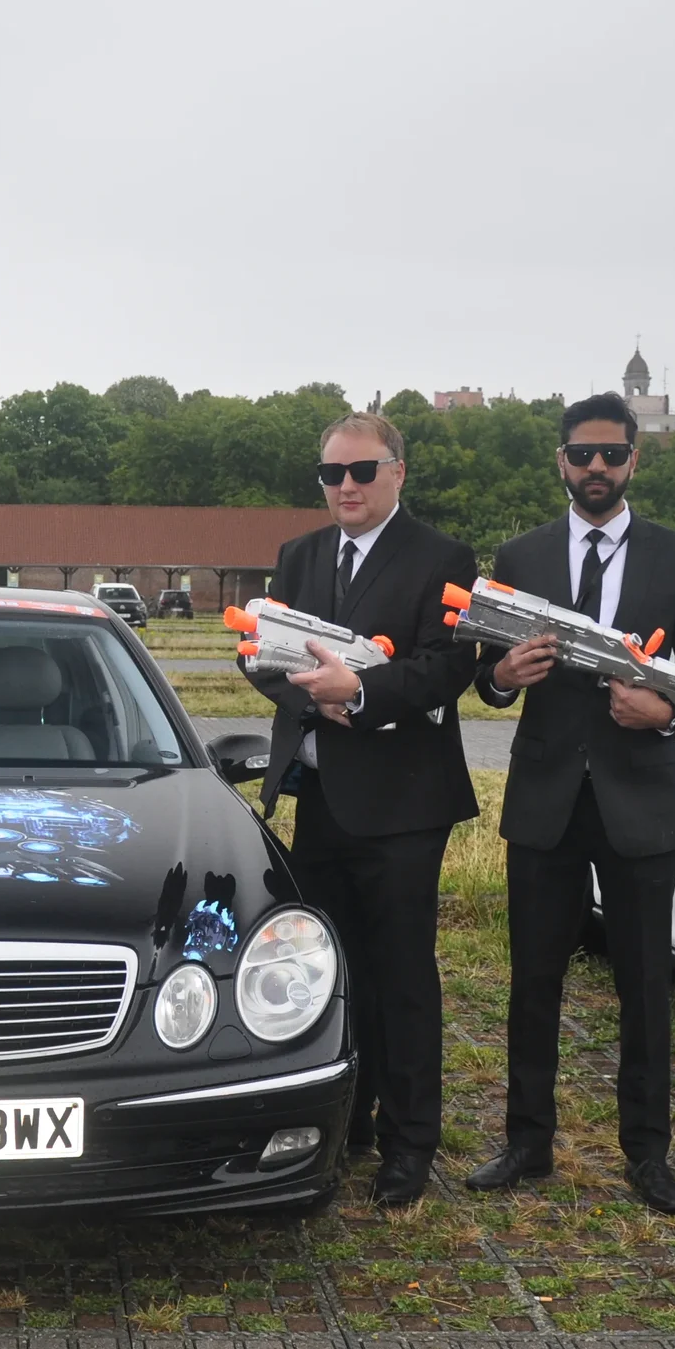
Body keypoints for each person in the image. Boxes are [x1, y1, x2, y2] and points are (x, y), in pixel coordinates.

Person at [464, 392, 675, 1214]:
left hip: (639, 800)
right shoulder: (520, 556)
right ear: (561, 462)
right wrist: (502, 677)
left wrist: (666, 712)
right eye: (582, 455)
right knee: (533, 980)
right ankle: (527, 1143)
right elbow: (486, 674)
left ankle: (648, 1156)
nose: (597, 469)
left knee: (645, 985)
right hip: (546, 797)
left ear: (634, 460)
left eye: (612, 455)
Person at [250, 411, 479, 1206]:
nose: (344, 487)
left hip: (403, 804)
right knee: (328, 970)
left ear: (397, 473)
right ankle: (348, 1119)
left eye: (361, 472)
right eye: (331, 474)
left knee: (402, 975)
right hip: (317, 796)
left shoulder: (442, 558)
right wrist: (292, 680)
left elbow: (450, 666)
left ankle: (410, 1144)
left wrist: (366, 693)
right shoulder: (299, 554)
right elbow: (265, 657)